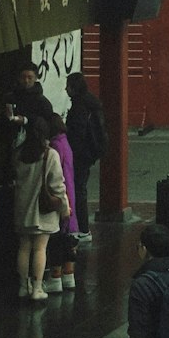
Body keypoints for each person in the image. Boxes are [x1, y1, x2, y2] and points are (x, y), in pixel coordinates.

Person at [11, 116, 68, 303]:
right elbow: (58, 186)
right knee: (40, 248)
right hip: (42, 210)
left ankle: (21, 286)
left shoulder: (18, 153)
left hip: (22, 207)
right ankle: (37, 288)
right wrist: (65, 208)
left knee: (24, 247)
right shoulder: (49, 155)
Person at [64, 71, 106, 237]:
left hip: (80, 155)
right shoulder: (91, 103)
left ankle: (82, 228)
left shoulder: (79, 106)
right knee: (80, 188)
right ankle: (82, 228)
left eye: (68, 86)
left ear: (73, 88)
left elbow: (77, 133)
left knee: (78, 189)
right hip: (89, 153)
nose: (65, 89)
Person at [44, 112, 79, 292]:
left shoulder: (54, 147)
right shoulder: (65, 143)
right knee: (68, 237)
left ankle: (55, 276)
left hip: (60, 194)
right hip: (70, 192)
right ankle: (69, 274)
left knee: (56, 238)